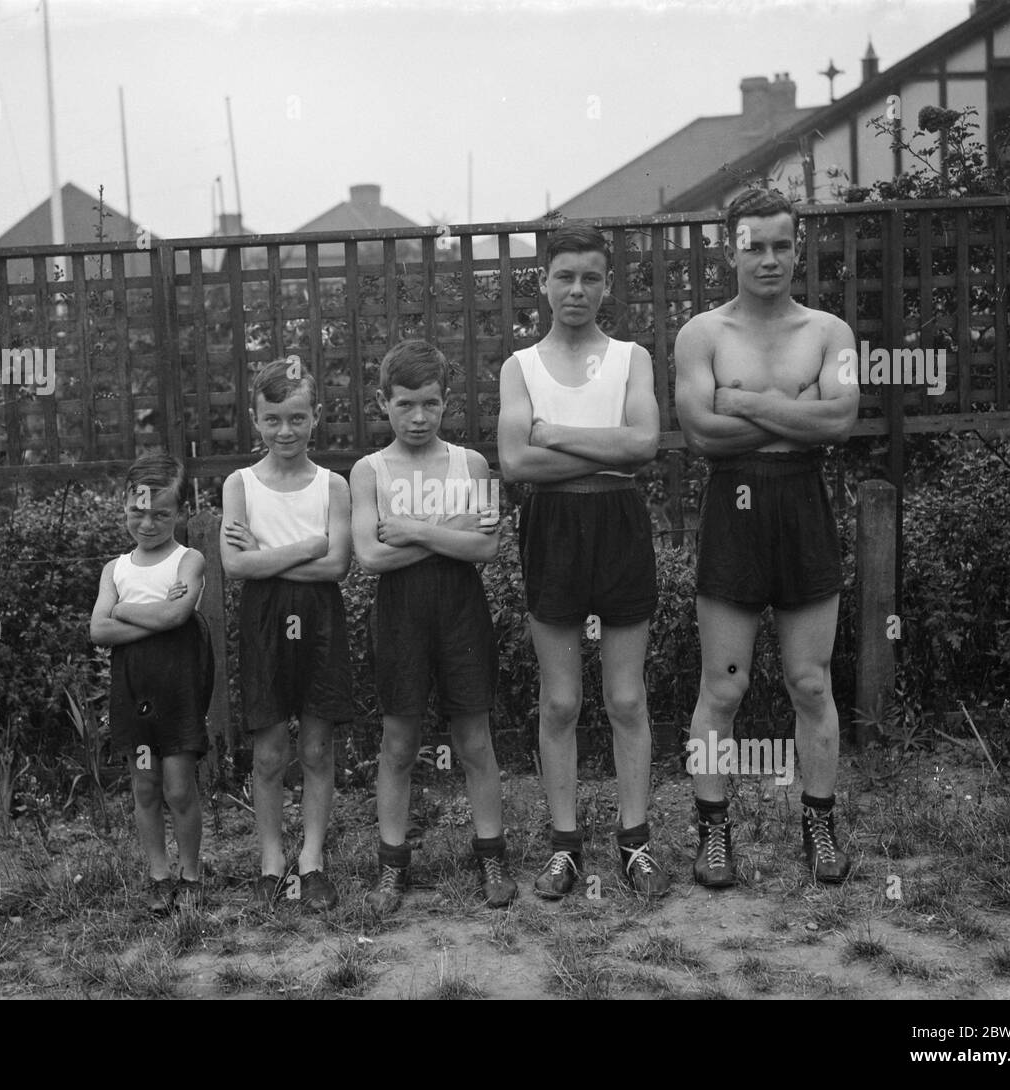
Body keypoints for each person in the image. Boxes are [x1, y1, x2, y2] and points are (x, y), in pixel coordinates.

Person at [674, 188, 860, 887]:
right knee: (724, 685)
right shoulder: (704, 334)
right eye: (756, 245)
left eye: (783, 244)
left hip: (804, 504)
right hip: (736, 508)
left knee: (810, 681)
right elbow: (701, 433)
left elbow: (840, 421)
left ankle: (819, 824)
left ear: (799, 248)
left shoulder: (828, 332)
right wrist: (796, 409)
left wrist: (745, 400)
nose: (770, 258)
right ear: (732, 249)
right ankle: (713, 833)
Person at [497, 224, 667, 899]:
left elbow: (645, 445)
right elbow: (517, 462)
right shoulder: (521, 366)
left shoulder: (632, 357)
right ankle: (565, 847)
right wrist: (611, 444)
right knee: (561, 700)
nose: (576, 289)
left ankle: (635, 842)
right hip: (553, 526)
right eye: (564, 275)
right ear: (543, 282)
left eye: (590, 277)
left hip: (620, 523)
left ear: (606, 284)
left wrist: (560, 433)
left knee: (626, 696)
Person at [350, 339, 516, 914]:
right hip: (399, 614)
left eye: (430, 404)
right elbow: (369, 558)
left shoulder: (471, 464)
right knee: (398, 742)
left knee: (474, 737)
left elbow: (489, 545)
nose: (418, 417)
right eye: (404, 405)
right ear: (382, 403)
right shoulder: (367, 470)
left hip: (460, 610)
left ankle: (491, 855)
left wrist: (413, 529)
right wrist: (450, 531)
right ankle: (392, 867)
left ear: (447, 402)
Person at [220, 358, 354, 910]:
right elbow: (235, 567)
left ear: (316, 418)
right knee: (272, 750)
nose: (285, 431)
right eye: (273, 419)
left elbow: (337, 565)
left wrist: (267, 556)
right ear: (256, 420)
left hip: (320, 618)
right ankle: (272, 860)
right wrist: (306, 546)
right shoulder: (240, 484)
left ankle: (313, 861)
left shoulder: (334, 484)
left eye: (297, 418)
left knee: (318, 746)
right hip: (263, 621)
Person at [90, 453, 215, 914]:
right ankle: (158, 875)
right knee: (145, 784)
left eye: (161, 513)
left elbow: (178, 615)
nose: (148, 523)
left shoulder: (189, 560)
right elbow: (98, 631)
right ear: (123, 508)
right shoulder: (115, 569)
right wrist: (153, 616)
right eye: (137, 512)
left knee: (179, 786)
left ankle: (192, 875)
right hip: (132, 687)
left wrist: (123, 610)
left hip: (177, 687)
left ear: (180, 513)